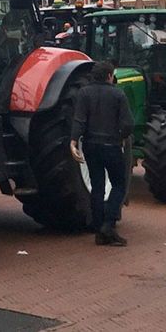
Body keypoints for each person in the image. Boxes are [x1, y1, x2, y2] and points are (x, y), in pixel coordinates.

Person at [70, 61, 134, 247]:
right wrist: (121, 136)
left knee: (97, 186)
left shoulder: (84, 93)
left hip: (90, 146)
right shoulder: (118, 94)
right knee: (119, 185)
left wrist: (74, 141)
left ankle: (99, 230)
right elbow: (128, 124)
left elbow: (79, 120)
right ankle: (109, 224)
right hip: (111, 145)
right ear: (109, 76)